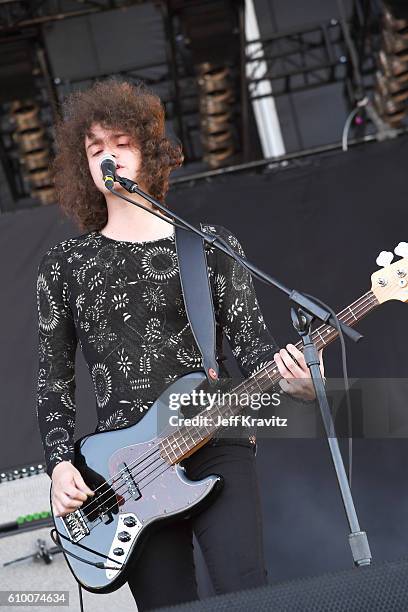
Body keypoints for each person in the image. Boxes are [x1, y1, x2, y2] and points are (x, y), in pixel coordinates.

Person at [36, 78, 324, 610]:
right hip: (126, 473)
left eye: (120, 143)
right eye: (95, 148)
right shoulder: (65, 265)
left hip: (217, 442)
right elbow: (53, 380)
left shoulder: (206, 247)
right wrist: (59, 465)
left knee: (247, 594)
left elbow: (258, 355)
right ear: (84, 167)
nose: (108, 156)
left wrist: (303, 384)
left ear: (148, 150)